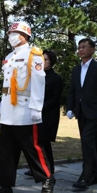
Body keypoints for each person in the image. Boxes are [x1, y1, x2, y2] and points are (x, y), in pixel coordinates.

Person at [0, 21, 55, 193]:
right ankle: (4, 187)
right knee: (6, 152)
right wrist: (2, 105)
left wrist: (36, 108)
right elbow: (7, 85)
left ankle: (47, 178)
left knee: (32, 148)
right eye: (9, 33)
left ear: (25, 35)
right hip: (9, 110)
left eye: (15, 32)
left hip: (25, 109)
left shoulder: (34, 54)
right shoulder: (9, 56)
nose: (11, 36)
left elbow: (39, 83)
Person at [66, 38, 97, 189]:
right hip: (81, 111)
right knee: (88, 143)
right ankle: (96, 175)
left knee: (87, 141)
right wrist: (70, 107)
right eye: (79, 47)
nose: (80, 50)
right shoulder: (76, 69)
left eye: (84, 47)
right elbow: (73, 90)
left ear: (92, 49)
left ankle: (85, 177)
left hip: (95, 111)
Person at [24, 49, 63, 177]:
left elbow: (56, 98)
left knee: (44, 143)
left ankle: (49, 168)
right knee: (34, 143)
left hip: (47, 115)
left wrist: (40, 107)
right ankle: (36, 168)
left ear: (51, 62)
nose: (41, 61)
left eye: (44, 59)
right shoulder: (35, 76)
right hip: (34, 114)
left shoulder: (55, 78)